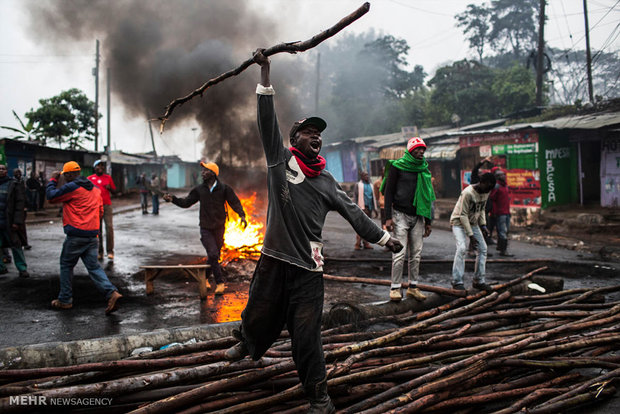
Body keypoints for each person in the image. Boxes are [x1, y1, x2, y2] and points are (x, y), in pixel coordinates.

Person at [224, 49, 403, 413]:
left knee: (306, 338)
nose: (316, 137)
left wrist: (384, 239)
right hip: (274, 258)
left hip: (308, 270)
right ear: (295, 140)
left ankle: (319, 398)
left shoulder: (327, 181)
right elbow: (266, 121)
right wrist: (266, 72)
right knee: (258, 311)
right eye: (309, 133)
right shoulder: (280, 160)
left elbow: (355, 214)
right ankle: (247, 342)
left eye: (319, 134)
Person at [46, 161, 122, 314]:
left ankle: (65, 300)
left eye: (65, 175)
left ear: (69, 174)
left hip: (76, 235)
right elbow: (100, 211)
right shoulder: (94, 189)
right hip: (92, 235)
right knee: (93, 267)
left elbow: (51, 197)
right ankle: (111, 292)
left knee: (66, 265)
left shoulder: (72, 187)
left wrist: (53, 180)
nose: (65, 178)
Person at [163, 162, 246, 295]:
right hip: (205, 228)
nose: (202, 173)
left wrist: (242, 216)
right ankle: (220, 282)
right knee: (213, 254)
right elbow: (186, 202)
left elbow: (234, 202)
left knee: (214, 256)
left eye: (205, 170)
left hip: (219, 227)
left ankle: (205, 278)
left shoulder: (224, 189)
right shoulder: (199, 190)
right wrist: (173, 199)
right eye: (202, 170)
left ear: (213, 173)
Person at [381, 137, 435, 302]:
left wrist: (429, 221)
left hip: (418, 216)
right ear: (410, 151)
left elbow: (427, 197)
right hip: (400, 215)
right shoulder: (397, 167)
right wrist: (387, 218)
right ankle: (395, 288)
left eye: (423, 149)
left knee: (416, 254)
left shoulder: (424, 169)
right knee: (399, 252)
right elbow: (388, 192)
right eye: (418, 149)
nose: (421, 152)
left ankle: (413, 287)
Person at [450, 172, 496, 292]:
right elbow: (463, 215)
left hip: (473, 223)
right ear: (481, 183)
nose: (487, 191)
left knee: (483, 249)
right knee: (461, 249)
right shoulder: (468, 193)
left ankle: (479, 281)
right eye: (487, 187)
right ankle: (457, 281)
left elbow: (481, 210)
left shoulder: (487, 191)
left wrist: (484, 225)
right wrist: (471, 236)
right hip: (458, 223)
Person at [0, 164, 30, 277]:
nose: (1, 170)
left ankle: (22, 268)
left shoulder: (13, 184)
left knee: (16, 246)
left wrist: (17, 221)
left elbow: (19, 204)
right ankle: (1, 268)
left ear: (6, 171)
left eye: (3, 169)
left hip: (9, 222)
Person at [87, 160, 116, 260]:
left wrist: (110, 188)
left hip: (107, 205)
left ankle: (110, 251)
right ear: (94, 168)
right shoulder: (90, 179)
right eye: (98, 166)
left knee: (109, 227)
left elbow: (115, 191)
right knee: (97, 230)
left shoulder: (108, 178)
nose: (100, 167)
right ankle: (100, 251)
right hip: (95, 207)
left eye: (102, 165)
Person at [489, 168, 513, 257]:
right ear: (498, 177)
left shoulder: (505, 186)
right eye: (502, 175)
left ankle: (501, 248)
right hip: (500, 213)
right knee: (503, 231)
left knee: (506, 231)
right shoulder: (497, 186)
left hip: (506, 212)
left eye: (504, 174)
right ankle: (503, 250)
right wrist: (494, 211)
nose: (504, 176)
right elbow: (492, 199)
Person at [352, 171, 377, 250]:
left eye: (367, 175)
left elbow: (373, 198)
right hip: (362, 207)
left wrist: (375, 209)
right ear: (361, 177)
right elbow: (355, 196)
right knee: (360, 226)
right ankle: (358, 243)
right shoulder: (358, 185)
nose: (367, 176)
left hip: (369, 208)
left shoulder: (371, 185)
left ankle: (366, 243)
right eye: (365, 175)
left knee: (367, 227)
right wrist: (354, 208)